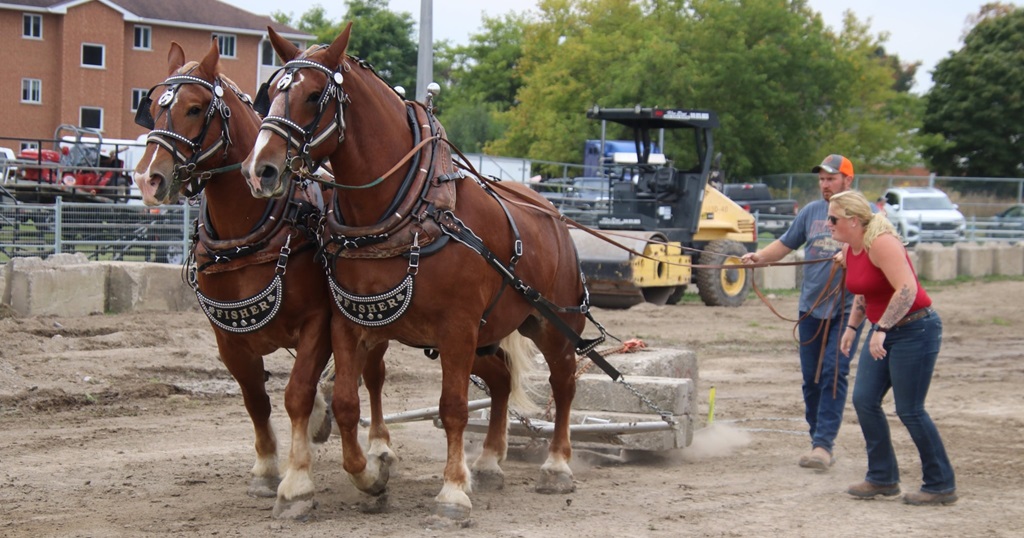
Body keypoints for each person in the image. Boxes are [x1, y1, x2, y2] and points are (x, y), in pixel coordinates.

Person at [828, 190, 958, 506]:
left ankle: (940, 483)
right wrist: (853, 327)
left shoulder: (881, 243)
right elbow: (864, 291)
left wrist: (881, 328)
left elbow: (907, 289)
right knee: (864, 400)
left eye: (833, 219)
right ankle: (883, 477)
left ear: (853, 221)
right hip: (886, 329)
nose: (827, 224)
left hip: (916, 329)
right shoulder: (852, 247)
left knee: (910, 409)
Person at [740, 154, 865, 471]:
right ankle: (816, 440)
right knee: (811, 380)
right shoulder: (811, 213)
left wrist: (849, 252)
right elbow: (785, 243)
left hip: (847, 310)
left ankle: (824, 445)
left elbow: (874, 247)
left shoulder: (863, 215)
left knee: (833, 373)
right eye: (822, 179)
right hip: (811, 307)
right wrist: (760, 258)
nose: (825, 185)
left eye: (831, 179)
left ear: (847, 181)